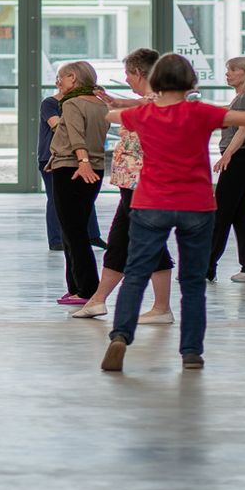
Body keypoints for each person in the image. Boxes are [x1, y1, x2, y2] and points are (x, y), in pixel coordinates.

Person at [97, 54, 245, 373]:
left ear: (155, 82)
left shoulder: (145, 114)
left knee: (137, 273)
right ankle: (191, 352)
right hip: (196, 204)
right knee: (193, 282)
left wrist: (129, 107)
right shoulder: (199, 112)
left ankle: (121, 336)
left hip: (151, 202)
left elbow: (111, 117)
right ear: (191, 83)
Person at [69, 48, 173, 321]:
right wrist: (114, 101)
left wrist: (114, 107)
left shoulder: (159, 103)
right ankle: (98, 300)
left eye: (128, 74)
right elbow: (140, 104)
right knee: (118, 241)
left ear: (139, 73)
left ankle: (162, 308)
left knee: (149, 242)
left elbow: (148, 109)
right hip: (132, 184)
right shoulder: (152, 100)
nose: (126, 79)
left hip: (144, 185)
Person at [45, 61, 111, 305]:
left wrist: (80, 159)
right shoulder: (101, 103)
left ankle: (85, 289)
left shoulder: (72, 103)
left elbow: (75, 135)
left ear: (73, 78)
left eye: (60, 77)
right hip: (93, 168)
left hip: (73, 169)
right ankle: (76, 286)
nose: (58, 82)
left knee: (72, 232)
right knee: (77, 228)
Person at [207, 56, 245, 283]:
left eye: (232, 70)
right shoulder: (243, 97)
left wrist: (227, 155)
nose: (228, 74)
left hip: (241, 158)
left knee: (220, 214)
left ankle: (205, 266)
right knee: (241, 216)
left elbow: (243, 130)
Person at [38, 89, 102, 252]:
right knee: (55, 198)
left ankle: (93, 235)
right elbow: (56, 126)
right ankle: (56, 239)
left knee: (84, 196)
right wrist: (77, 123)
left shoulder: (79, 104)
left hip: (75, 156)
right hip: (51, 157)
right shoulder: (50, 103)